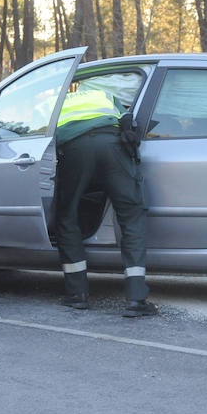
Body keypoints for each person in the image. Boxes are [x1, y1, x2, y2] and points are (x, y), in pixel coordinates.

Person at [53, 87, 157, 317]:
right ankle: (136, 299)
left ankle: (77, 294)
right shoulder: (104, 95)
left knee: (66, 216)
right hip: (112, 147)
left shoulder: (53, 101)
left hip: (74, 149)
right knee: (132, 216)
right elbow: (128, 120)